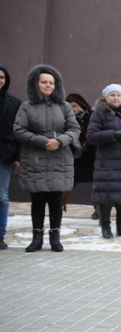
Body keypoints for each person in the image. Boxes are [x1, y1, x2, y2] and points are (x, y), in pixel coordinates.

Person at [14, 64, 81, 252]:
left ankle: (55, 237)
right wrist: (42, 141)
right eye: (44, 82)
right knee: (37, 199)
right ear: (35, 84)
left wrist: (59, 141)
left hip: (60, 157)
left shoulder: (64, 106)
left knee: (56, 199)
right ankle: (36, 238)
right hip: (35, 157)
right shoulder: (26, 107)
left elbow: (75, 129)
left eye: (51, 83)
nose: (48, 86)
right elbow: (19, 130)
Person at [86, 84, 121, 239]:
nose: (115, 98)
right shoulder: (99, 114)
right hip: (107, 163)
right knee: (106, 197)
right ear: (106, 97)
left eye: (118, 95)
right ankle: (106, 227)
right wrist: (114, 134)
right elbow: (91, 135)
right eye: (112, 95)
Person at [64, 94, 98, 220]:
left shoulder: (92, 117)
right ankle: (59, 206)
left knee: (97, 185)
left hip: (91, 157)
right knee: (67, 184)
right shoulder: (65, 119)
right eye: (69, 107)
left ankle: (98, 209)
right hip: (73, 158)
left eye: (75, 106)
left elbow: (96, 134)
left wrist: (87, 146)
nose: (73, 110)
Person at [0, 64, 22, 250]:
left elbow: (19, 133)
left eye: (2, 77)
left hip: (4, 155)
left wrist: (18, 157)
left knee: (1, 197)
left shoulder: (14, 103)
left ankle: (0, 235)